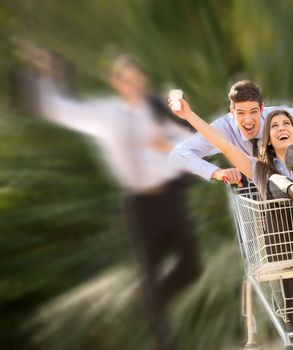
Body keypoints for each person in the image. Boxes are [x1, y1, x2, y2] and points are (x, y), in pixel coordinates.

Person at [168, 51, 293, 349]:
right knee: (273, 181)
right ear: (268, 138)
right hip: (282, 238)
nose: (280, 128)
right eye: (274, 126)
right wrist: (187, 115)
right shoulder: (255, 168)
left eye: (286, 125)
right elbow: (221, 142)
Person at [28, 49, 201, 350]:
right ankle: (163, 340)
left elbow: (192, 140)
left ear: (142, 81)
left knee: (192, 266)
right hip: (139, 206)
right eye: (125, 80)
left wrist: (170, 145)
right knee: (148, 273)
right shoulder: (106, 115)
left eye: (136, 79)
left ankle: (152, 297)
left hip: (170, 198)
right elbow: (58, 109)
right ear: (116, 83)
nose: (132, 84)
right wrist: (46, 74)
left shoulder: (159, 109)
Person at [168, 79, 293, 187]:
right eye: (240, 113)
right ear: (231, 112)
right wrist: (218, 173)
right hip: (264, 189)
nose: (248, 120)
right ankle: (286, 189)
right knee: (269, 182)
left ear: (262, 109)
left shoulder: (285, 118)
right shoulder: (226, 132)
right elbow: (182, 154)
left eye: (253, 112)